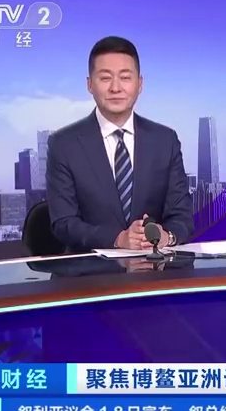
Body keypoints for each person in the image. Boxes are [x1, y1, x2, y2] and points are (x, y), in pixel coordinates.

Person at [46, 36, 194, 252]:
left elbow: (182, 217)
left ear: (139, 84)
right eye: (105, 78)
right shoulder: (64, 144)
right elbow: (63, 223)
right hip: (89, 269)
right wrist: (117, 239)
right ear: (89, 84)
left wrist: (166, 237)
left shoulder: (165, 140)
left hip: (155, 267)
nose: (116, 88)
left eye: (125, 77)